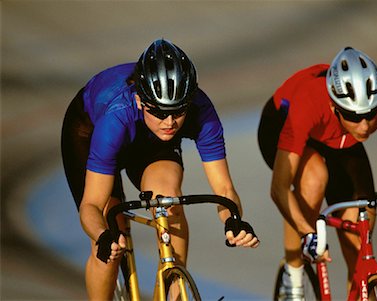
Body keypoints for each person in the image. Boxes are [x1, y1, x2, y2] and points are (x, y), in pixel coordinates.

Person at [61, 38, 259, 300]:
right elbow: (91, 206)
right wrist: (102, 236)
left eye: (178, 111)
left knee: (168, 200)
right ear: (141, 101)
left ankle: (172, 288)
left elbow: (224, 188)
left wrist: (233, 221)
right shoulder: (116, 117)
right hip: (91, 132)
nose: (170, 122)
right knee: (111, 239)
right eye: (159, 111)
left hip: (150, 143)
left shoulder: (201, 111)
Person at [257, 47, 377, 300]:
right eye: (354, 117)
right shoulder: (309, 101)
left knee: (359, 239)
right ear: (335, 107)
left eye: (371, 114)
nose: (365, 126)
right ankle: (293, 277)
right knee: (314, 179)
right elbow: (279, 188)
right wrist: (308, 233)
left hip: (342, 142)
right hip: (281, 122)